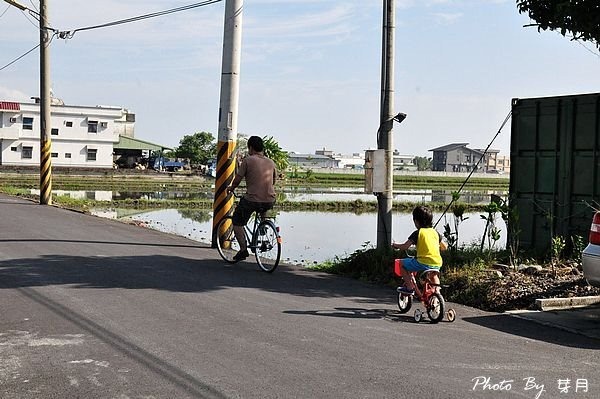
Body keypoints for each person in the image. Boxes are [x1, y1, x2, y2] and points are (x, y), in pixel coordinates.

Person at [226, 136, 277, 261]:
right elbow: (273, 181)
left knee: (237, 222)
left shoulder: (248, 160)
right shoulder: (271, 162)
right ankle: (264, 228)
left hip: (252, 200)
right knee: (263, 208)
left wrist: (231, 188)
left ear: (251, 148)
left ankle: (243, 250)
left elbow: (238, 178)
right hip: (269, 199)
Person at [392, 205, 445, 294]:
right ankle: (437, 293)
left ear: (416, 221)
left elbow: (405, 246)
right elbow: (444, 247)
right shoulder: (435, 232)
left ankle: (409, 287)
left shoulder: (417, 233)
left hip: (422, 262)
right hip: (437, 263)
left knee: (402, 264)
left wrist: (395, 245)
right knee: (434, 275)